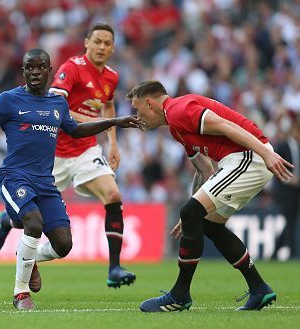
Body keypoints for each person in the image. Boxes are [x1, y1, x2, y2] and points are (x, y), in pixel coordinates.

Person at [0, 48, 143, 310]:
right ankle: (21, 294)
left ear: (49, 71)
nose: (35, 72)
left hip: (45, 182)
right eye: (29, 68)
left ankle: (28, 256)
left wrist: (113, 121)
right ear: (23, 70)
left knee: (63, 244)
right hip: (15, 177)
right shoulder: (8, 100)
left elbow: (76, 130)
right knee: (33, 223)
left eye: (40, 67)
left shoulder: (58, 104)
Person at [126, 80, 293, 312]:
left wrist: (265, 152)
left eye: (137, 109)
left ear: (149, 103)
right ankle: (259, 288)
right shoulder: (176, 127)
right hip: (241, 160)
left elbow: (226, 126)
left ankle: (179, 295)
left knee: (191, 212)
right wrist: (193, 214)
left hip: (249, 157)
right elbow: (205, 170)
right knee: (208, 225)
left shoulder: (178, 110)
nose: (137, 115)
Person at [271, 113, 300, 260]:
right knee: (290, 219)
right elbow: (276, 167)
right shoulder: (283, 146)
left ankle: (275, 252)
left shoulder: (298, 148)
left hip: (295, 192)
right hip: (284, 190)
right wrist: (291, 179)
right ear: (294, 131)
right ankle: (293, 252)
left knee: (291, 220)